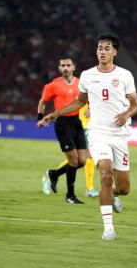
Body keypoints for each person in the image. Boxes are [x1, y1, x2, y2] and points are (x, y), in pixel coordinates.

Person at [40, 33, 137, 241]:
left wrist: (125, 114)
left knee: (123, 188)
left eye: (106, 48)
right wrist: (55, 113)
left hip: (120, 135)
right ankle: (108, 228)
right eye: (99, 48)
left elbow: (135, 105)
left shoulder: (125, 75)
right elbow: (80, 102)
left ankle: (112, 196)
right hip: (97, 133)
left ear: (114, 52)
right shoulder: (87, 75)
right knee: (104, 173)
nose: (102, 52)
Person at [37, 57, 87, 204]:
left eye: (68, 65)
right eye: (63, 65)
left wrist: (89, 109)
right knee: (73, 160)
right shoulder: (53, 85)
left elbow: (87, 99)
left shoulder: (81, 83)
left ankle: (54, 173)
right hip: (62, 123)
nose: (65, 68)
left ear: (73, 67)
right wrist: (39, 117)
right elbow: (43, 102)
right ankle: (70, 196)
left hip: (76, 122)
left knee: (82, 161)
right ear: (59, 68)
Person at [54, 104, 99, 197]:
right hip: (84, 124)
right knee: (86, 156)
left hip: (92, 125)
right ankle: (89, 189)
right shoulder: (82, 91)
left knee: (82, 157)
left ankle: (52, 174)